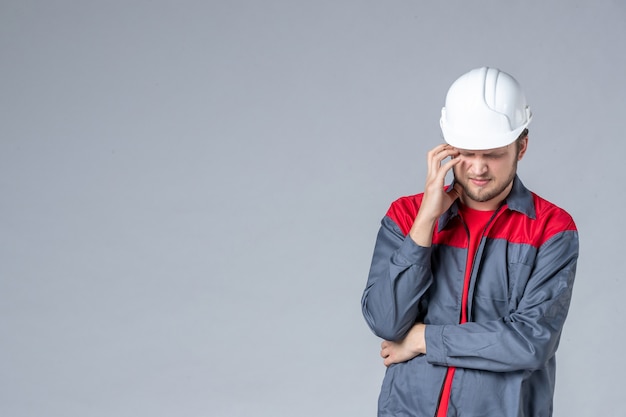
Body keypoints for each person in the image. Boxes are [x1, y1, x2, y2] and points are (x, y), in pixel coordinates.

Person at [361, 67, 579, 417]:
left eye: (492, 153)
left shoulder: (551, 229)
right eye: (467, 153)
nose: (478, 168)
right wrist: (426, 222)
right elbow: (386, 322)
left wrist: (423, 340)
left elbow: (530, 341)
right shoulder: (406, 215)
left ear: (521, 147)